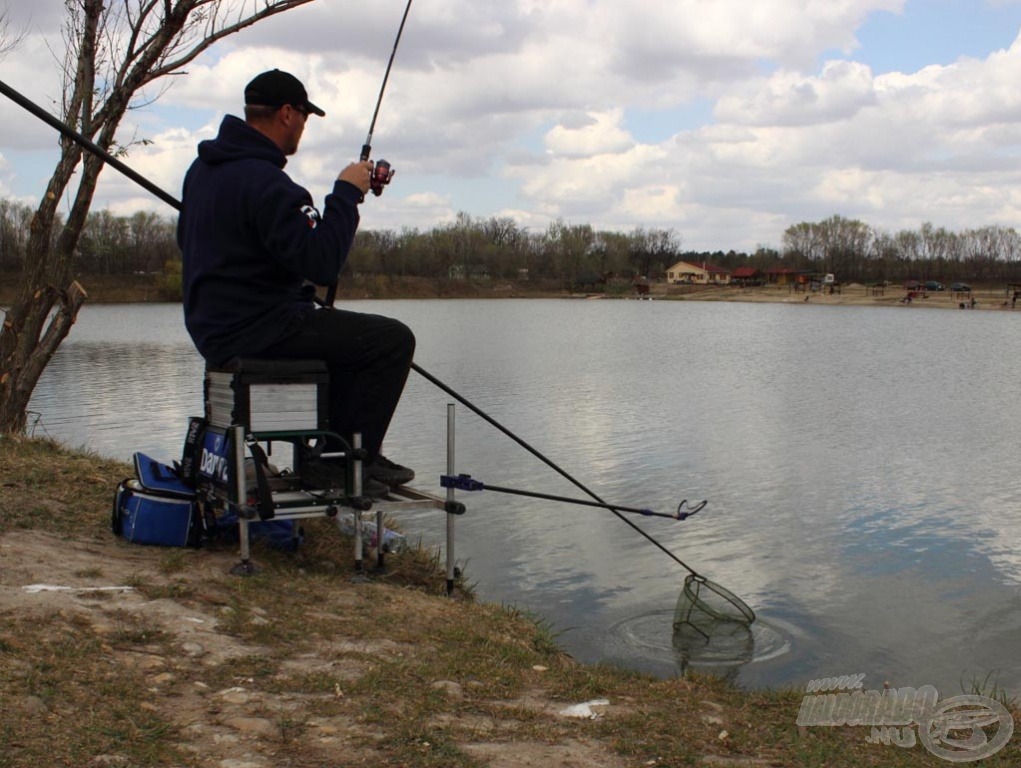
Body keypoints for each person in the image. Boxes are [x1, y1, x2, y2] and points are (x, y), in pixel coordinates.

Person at [177, 69, 415, 498]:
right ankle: (338, 461)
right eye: (304, 118)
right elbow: (323, 263)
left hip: (212, 328)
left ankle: (332, 453)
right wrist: (345, 193)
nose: (303, 129)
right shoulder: (267, 182)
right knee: (391, 340)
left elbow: (195, 244)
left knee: (342, 338)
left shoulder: (202, 171)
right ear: (287, 113)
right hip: (259, 328)